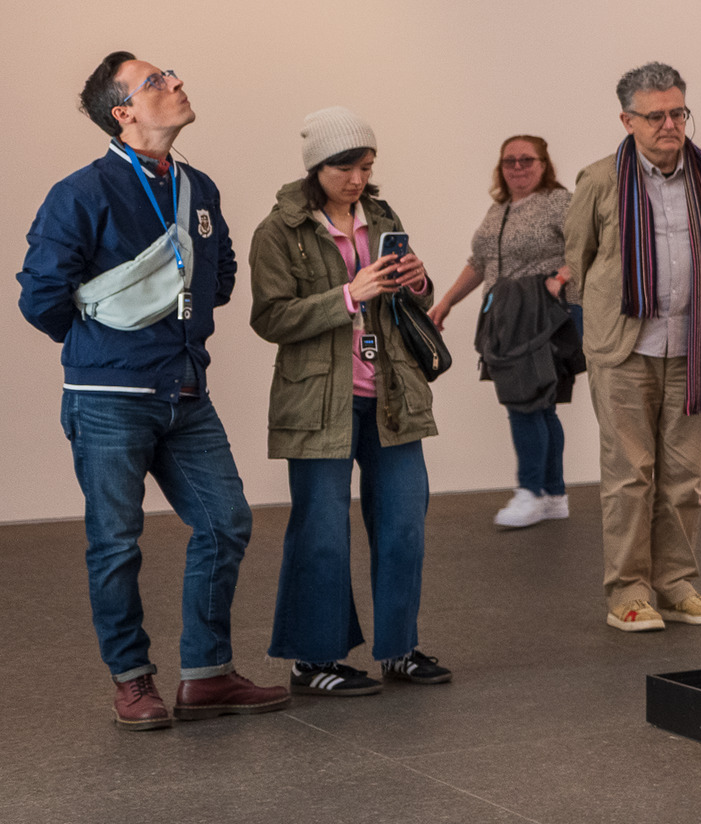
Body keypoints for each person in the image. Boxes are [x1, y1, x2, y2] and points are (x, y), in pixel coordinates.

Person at [16, 57, 288, 730]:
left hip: (186, 388)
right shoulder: (80, 192)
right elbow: (41, 296)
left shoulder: (196, 186)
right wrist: (106, 345)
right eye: (155, 80)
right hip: (107, 395)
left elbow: (218, 271)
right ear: (124, 113)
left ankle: (207, 673)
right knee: (116, 542)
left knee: (226, 522)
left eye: (170, 71)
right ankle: (132, 680)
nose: (175, 80)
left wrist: (181, 323)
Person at [250, 108, 452, 695]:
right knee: (320, 532)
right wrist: (346, 295)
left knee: (403, 526)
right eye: (345, 167)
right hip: (318, 401)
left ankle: (399, 649)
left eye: (366, 166)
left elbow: (410, 303)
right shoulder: (279, 231)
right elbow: (270, 317)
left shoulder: (383, 217)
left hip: (393, 396)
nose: (357, 179)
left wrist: (417, 283)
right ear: (317, 166)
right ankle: (313, 660)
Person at [563, 63, 701, 635]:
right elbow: (578, 263)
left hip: (694, 345)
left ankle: (675, 584)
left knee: (684, 476)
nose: (670, 124)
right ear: (627, 120)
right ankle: (628, 592)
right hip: (623, 350)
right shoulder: (598, 180)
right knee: (629, 475)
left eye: (678, 112)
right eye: (656, 115)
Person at [428, 134, 579, 528]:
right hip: (505, 317)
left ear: (544, 164)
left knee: (525, 402)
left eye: (527, 160)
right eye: (510, 161)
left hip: (541, 317)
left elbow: (592, 246)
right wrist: (445, 302)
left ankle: (530, 491)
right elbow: (479, 262)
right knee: (540, 407)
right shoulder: (499, 209)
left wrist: (562, 276)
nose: (518, 167)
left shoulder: (560, 203)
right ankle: (553, 494)